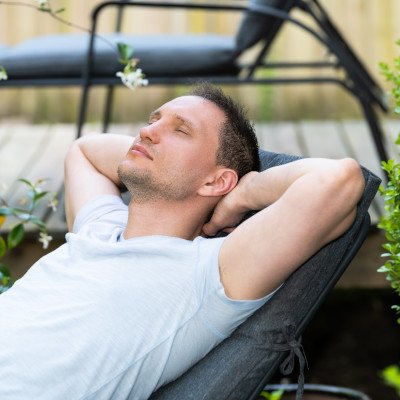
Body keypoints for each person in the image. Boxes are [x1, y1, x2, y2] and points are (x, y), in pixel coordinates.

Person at [0, 83, 364, 400]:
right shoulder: (99, 227)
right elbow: (84, 149)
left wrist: (244, 193)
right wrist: (156, 152)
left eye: (181, 130)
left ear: (215, 182)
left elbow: (341, 182)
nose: (147, 131)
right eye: (153, 119)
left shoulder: (209, 273)